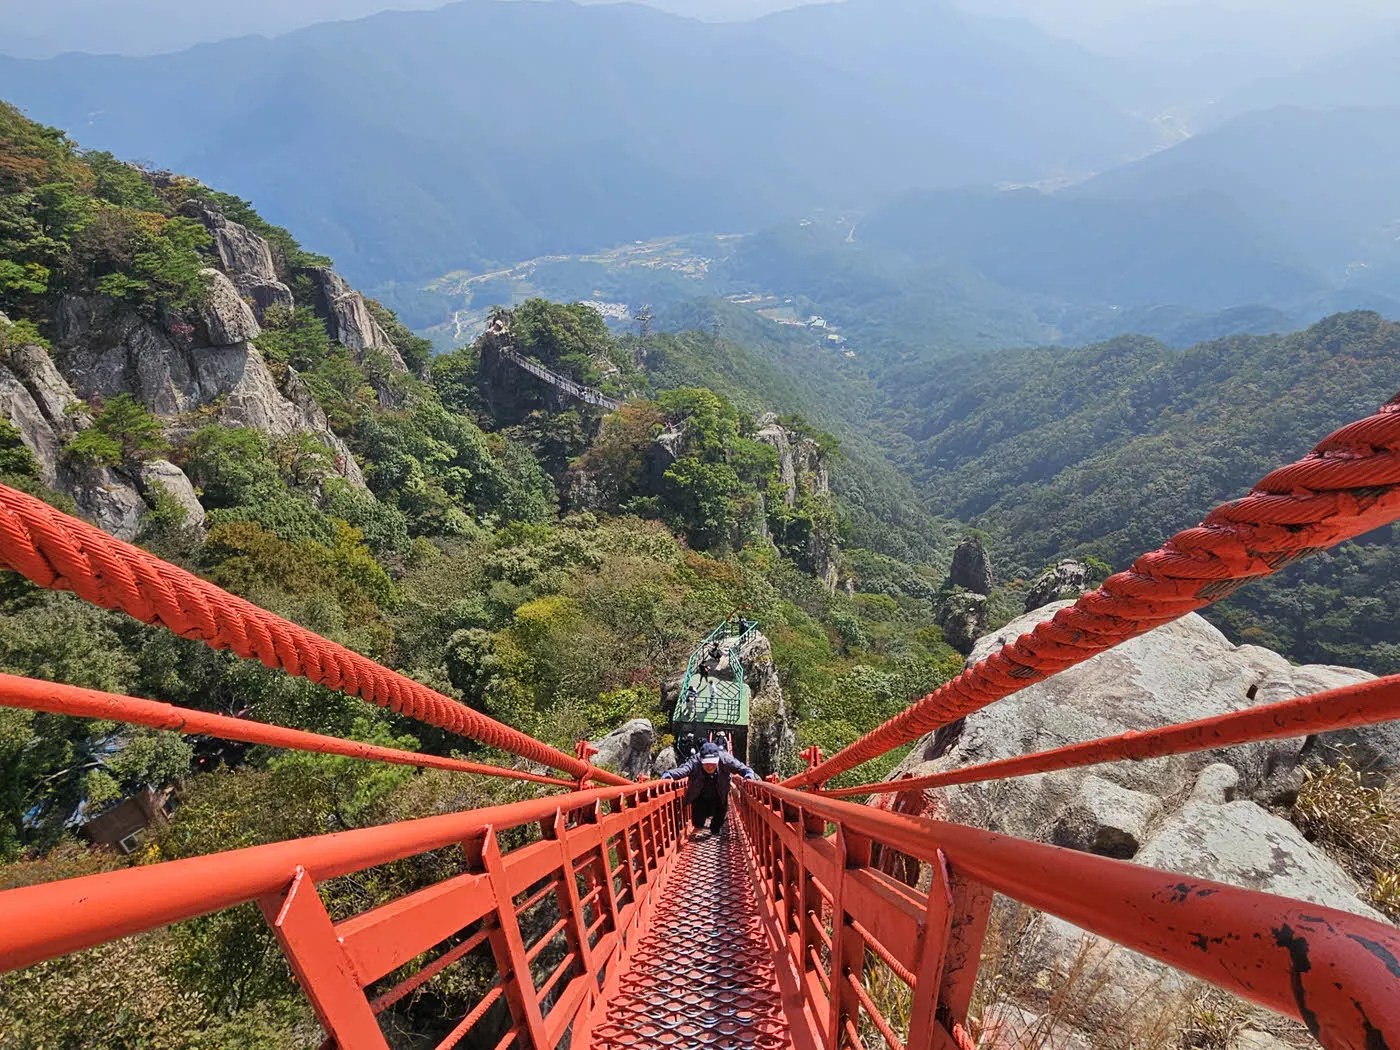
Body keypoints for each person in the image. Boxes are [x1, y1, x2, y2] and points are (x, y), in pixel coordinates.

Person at [661, 741, 757, 836]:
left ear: (718, 759)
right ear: (701, 760)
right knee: (698, 819)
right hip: (700, 794)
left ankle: (715, 830)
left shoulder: (725, 759)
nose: (710, 767)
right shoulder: (695, 761)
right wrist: (669, 774)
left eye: (713, 763)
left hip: (720, 793)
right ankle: (700, 827)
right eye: (706, 763)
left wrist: (748, 775)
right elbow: (683, 770)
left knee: (719, 820)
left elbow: (743, 768)